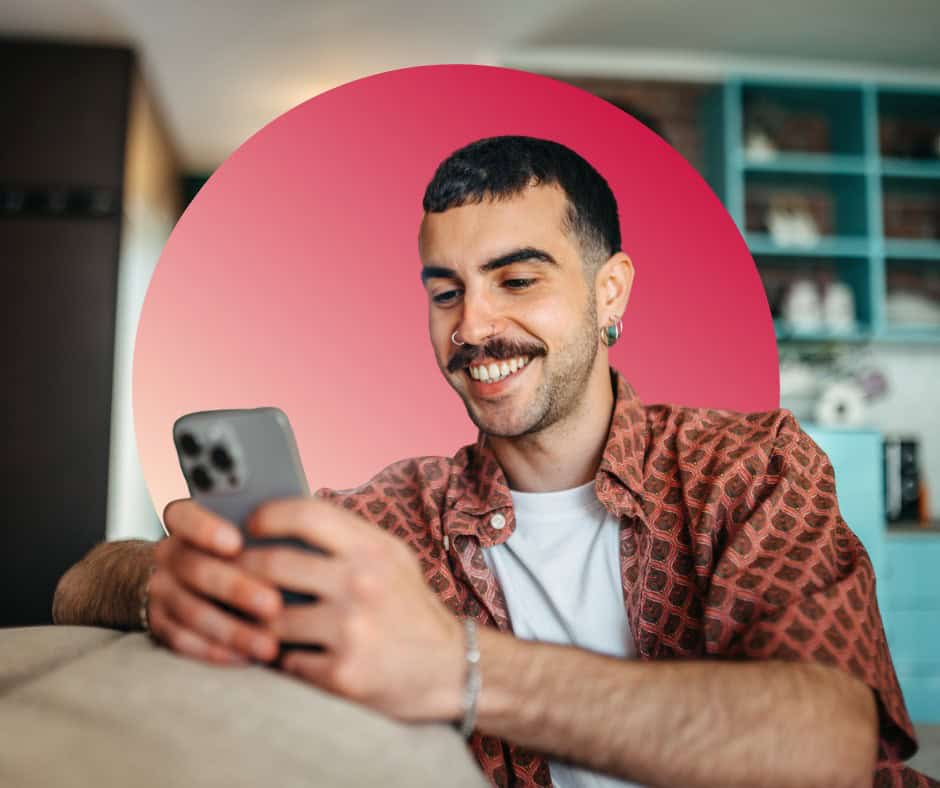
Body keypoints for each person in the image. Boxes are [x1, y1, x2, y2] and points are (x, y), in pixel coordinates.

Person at [54, 136, 929, 788]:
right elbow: (80, 587)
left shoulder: (748, 465)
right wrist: (166, 581)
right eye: (446, 293)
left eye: (517, 280)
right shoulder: (392, 520)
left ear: (610, 291)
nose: (471, 326)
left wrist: (457, 667)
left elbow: (824, 744)